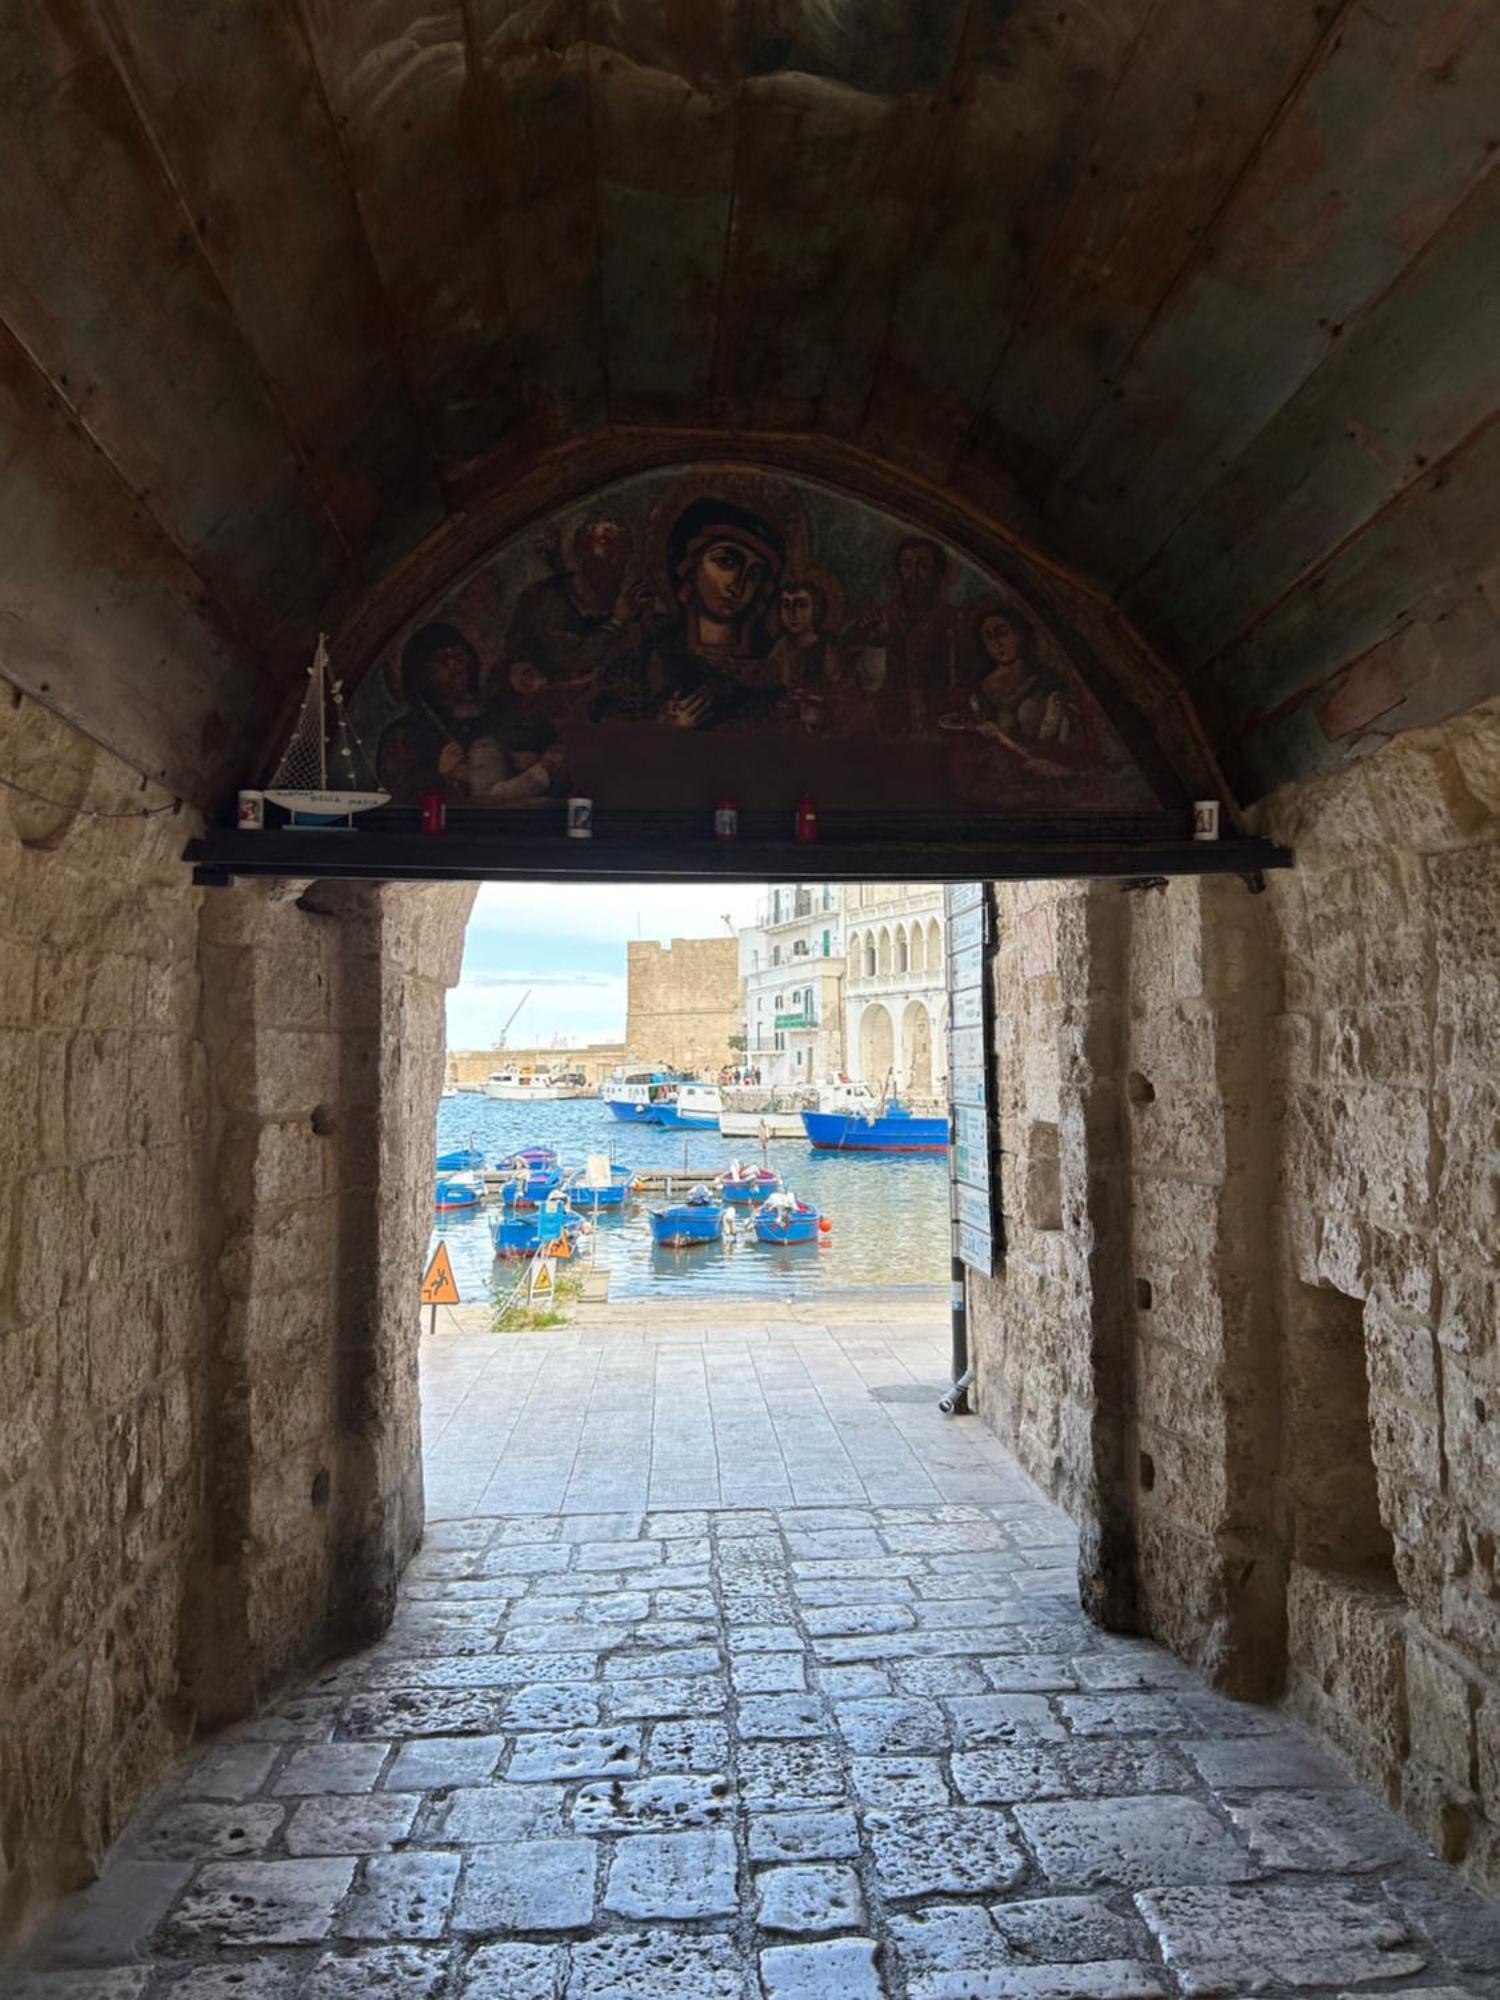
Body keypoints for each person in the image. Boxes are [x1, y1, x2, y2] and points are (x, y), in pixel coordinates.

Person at [592, 497, 790, 729]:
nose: (737, 586)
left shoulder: (770, 662)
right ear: (690, 565)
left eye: (754, 574)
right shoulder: (652, 646)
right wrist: (661, 725)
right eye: (726, 561)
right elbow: (601, 721)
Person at [377, 622, 562, 803]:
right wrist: (441, 776)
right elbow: (398, 796)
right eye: (442, 660)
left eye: (459, 657)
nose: (455, 667)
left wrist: (535, 760)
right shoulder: (406, 735)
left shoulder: (503, 716)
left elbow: (552, 753)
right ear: (421, 671)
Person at [505, 516, 651, 699]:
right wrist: (618, 621)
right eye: (605, 542)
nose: (616, 553)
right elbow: (573, 659)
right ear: (582, 549)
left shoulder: (634, 600)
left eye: (624, 544)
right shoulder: (547, 599)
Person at [939, 602, 1078, 776]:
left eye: (1002, 633)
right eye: (989, 637)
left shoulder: (1047, 682)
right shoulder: (976, 688)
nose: (996, 643)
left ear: (1020, 635)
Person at [844, 536, 957, 733]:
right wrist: (868, 638)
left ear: (938, 574)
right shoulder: (882, 617)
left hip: (939, 720)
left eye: (923, 566)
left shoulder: (951, 618)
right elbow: (846, 650)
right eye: (906, 565)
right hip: (891, 721)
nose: (913, 575)